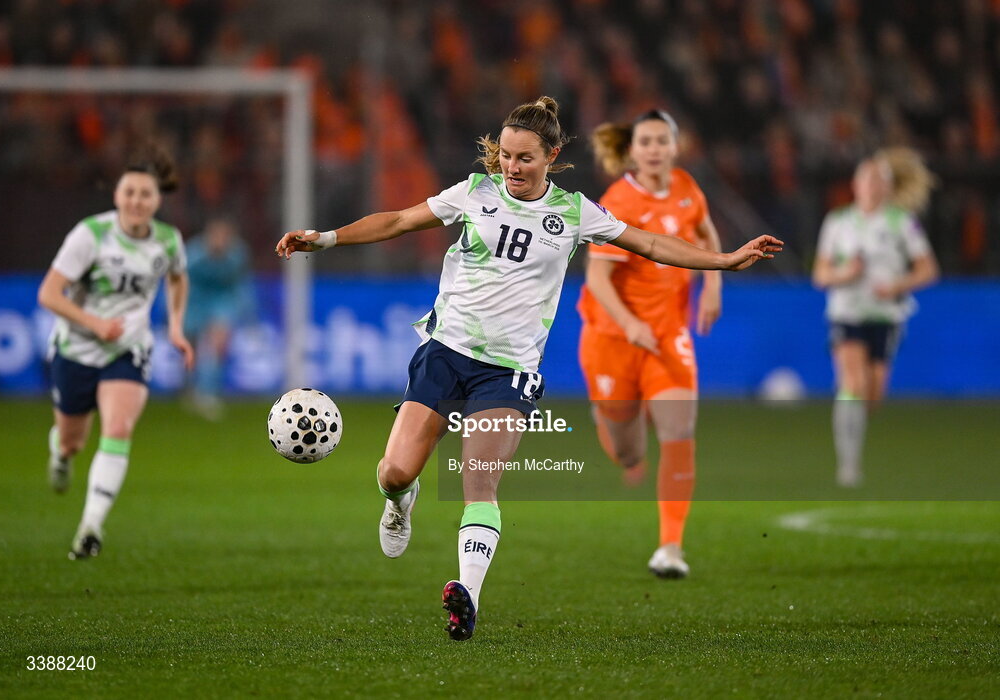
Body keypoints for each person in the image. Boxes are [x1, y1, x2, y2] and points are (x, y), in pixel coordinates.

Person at [275, 97, 781, 641]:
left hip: (509, 371)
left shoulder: (575, 212)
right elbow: (398, 220)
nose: (511, 168)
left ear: (552, 156)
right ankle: (400, 504)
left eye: (524, 159)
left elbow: (652, 243)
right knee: (395, 472)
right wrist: (325, 238)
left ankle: (467, 593)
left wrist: (724, 260)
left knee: (480, 482)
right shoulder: (474, 193)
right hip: (446, 352)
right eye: (505, 157)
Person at [577, 110, 723, 579]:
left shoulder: (686, 188)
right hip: (611, 338)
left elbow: (705, 231)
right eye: (646, 141)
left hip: (667, 335)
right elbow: (597, 278)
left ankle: (670, 548)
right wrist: (628, 323)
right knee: (629, 454)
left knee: (679, 432)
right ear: (633, 151)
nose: (655, 148)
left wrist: (714, 284)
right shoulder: (617, 200)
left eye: (663, 140)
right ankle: (615, 417)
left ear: (675, 146)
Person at [38, 145, 194, 559]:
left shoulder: (167, 240)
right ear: (117, 196)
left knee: (118, 429)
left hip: (129, 348)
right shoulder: (90, 235)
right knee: (73, 440)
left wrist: (176, 328)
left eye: (145, 194)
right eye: (130, 193)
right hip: (77, 346)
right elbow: (49, 293)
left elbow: (178, 279)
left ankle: (91, 526)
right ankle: (61, 451)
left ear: (157, 200)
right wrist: (95, 324)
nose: (137, 201)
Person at [812, 147, 939, 487]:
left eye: (877, 179)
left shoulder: (901, 222)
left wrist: (899, 284)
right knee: (852, 384)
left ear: (886, 187)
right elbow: (820, 275)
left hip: (886, 315)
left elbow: (928, 269)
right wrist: (845, 274)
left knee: (872, 395)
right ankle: (848, 466)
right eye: (865, 178)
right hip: (847, 312)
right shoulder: (838, 222)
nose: (870, 185)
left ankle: (850, 428)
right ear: (854, 185)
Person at [184, 216, 255, 420]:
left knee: (217, 344)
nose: (221, 241)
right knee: (191, 349)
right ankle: (190, 389)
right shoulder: (194, 254)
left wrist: (246, 309)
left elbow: (240, 283)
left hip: (222, 301)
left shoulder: (238, 255)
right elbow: (180, 281)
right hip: (195, 301)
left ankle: (207, 393)